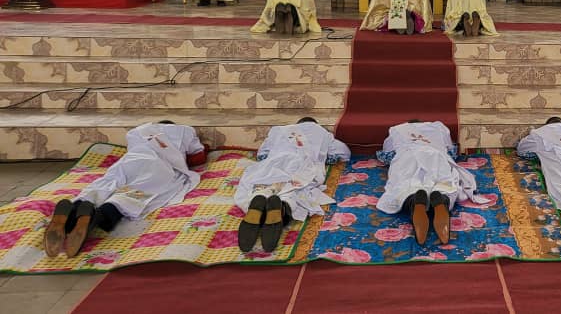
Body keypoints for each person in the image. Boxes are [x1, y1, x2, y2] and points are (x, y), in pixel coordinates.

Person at [43, 120, 206, 257]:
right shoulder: (185, 130)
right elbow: (198, 157)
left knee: (108, 182)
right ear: (172, 125)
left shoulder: (138, 130)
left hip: (130, 160)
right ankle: (99, 216)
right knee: (135, 192)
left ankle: (79, 205)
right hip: (158, 165)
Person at [235, 118, 350, 252]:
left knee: (263, 182)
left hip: (275, 162)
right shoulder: (323, 133)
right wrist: (326, 158)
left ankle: (259, 197)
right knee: (296, 189)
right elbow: (344, 152)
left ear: (297, 123)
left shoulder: (278, 130)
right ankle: (284, 206)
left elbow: (262, 153)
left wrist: (269, 159)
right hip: (304, 164)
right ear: (315, 124)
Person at [376, 120, 485, 245]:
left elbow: (387, 153)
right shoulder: (439, 127)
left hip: (407, 156)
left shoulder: (396, 129)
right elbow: (450, 148)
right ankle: (442, 198)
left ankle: (414, 199)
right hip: (436, 155)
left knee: (404, 183)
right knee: (445, 182)